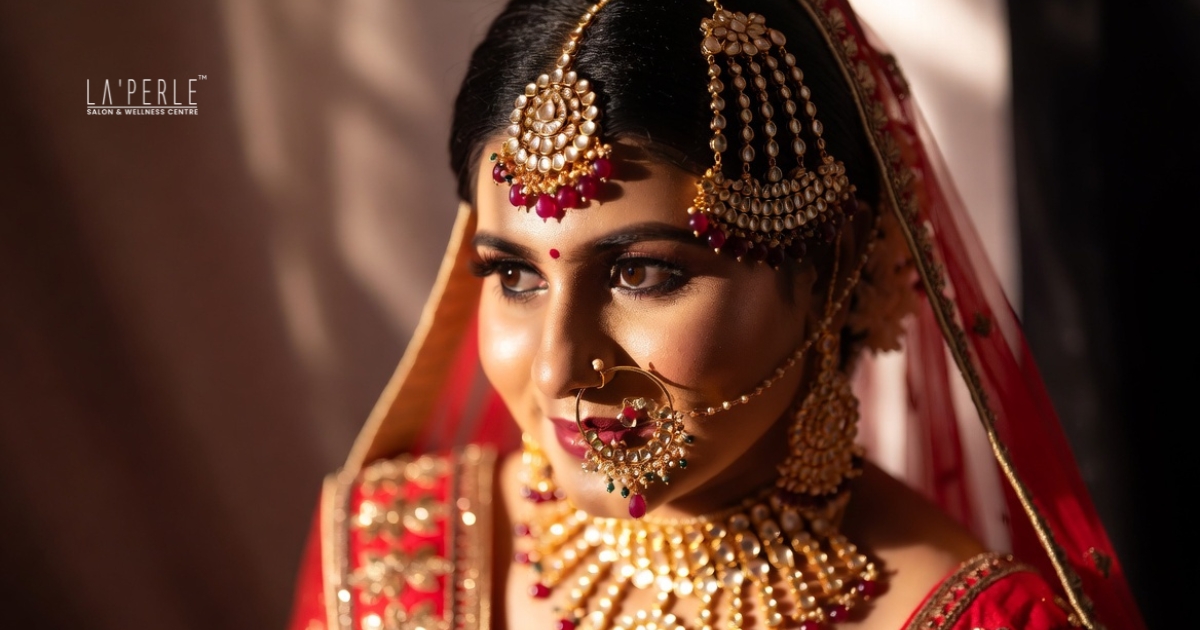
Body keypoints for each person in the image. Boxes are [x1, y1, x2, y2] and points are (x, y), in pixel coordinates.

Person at [287, 0, 1145, 628]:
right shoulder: (386, 564)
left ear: (828, 265)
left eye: (642, 273)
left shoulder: (979, 621)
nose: (555, 369)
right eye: (514, 276)